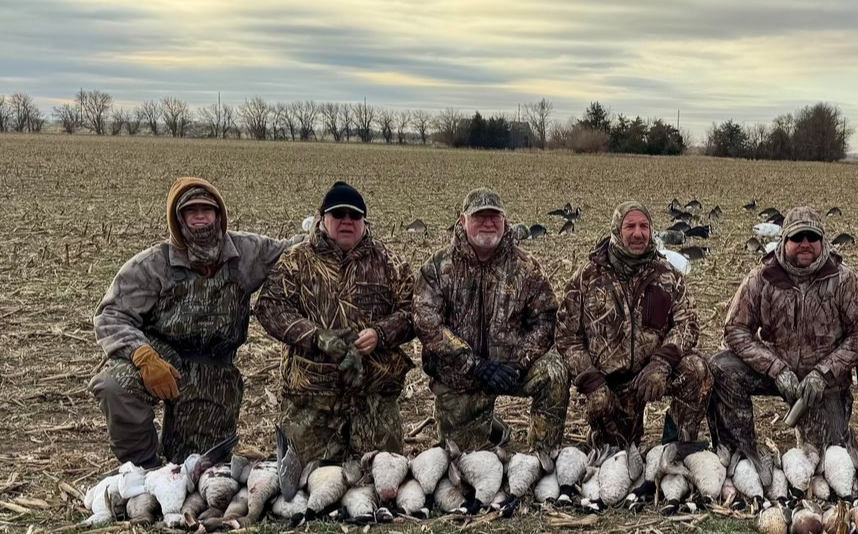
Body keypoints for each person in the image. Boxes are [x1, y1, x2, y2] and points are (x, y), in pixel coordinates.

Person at [90, 177, 296, 466]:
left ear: (219, 215)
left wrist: (329, 223)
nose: (200, 215)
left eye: (207, 209)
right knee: (115, 387)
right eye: (190, 210)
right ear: (179, 218)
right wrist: (143, 355)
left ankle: (173, 461)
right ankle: (143, 468)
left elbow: (293, 251)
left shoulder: (246, 252)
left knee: (197, 468)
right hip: (160, 355)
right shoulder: (152, 265)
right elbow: (111, 315)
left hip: (214, 370)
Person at [254, 181, 416, 463]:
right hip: (311, 399)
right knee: (306, 484)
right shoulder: (297, 260)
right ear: (323, 218)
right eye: (338, 214)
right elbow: (269, 307)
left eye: (354, 215)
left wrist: (380, 334)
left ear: (364, 221)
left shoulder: (389, 262)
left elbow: (414, 312)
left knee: (382, 481)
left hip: (373, 397)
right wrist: (315, 336)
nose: (347, 221)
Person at [709, 205, 858, 454]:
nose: (805, 243)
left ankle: (841, 434)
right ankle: (739, 454)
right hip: (776, 370)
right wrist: (775, 368)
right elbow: (735, 330)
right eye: (797, 238)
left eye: (812, 237)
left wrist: (824, 373)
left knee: (827, 459)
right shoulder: (762, 278)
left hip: (822, 381)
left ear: (823, 241)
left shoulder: (844, 280)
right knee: (721, 368)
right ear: (784, 241)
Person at [414, 188, 570, 451]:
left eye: (494, 217)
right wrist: (476, 366)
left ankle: (543, 458)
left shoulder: (525, 267)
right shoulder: (438, 267)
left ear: (504, 220)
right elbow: (427, 323)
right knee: (462, 459)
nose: (488, 223)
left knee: (554, 372)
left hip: (511, 368)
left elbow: (546, 319)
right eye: (479, 217)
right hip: (461, 372)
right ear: (463, 221)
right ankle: (492, 427)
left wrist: (519, 363)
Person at [558, 200, 710, 445]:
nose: (638, 233)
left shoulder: (668, 275)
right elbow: (567, 338)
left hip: (655, 373)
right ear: (617, 230)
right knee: (617, 454)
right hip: (610, 383)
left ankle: (679, 443)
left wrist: (662, 362)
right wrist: (592, 381)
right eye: (630, 226)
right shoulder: (587, 277)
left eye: (644, 226)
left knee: (697, 369)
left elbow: (688, 324)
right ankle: (604, 432)